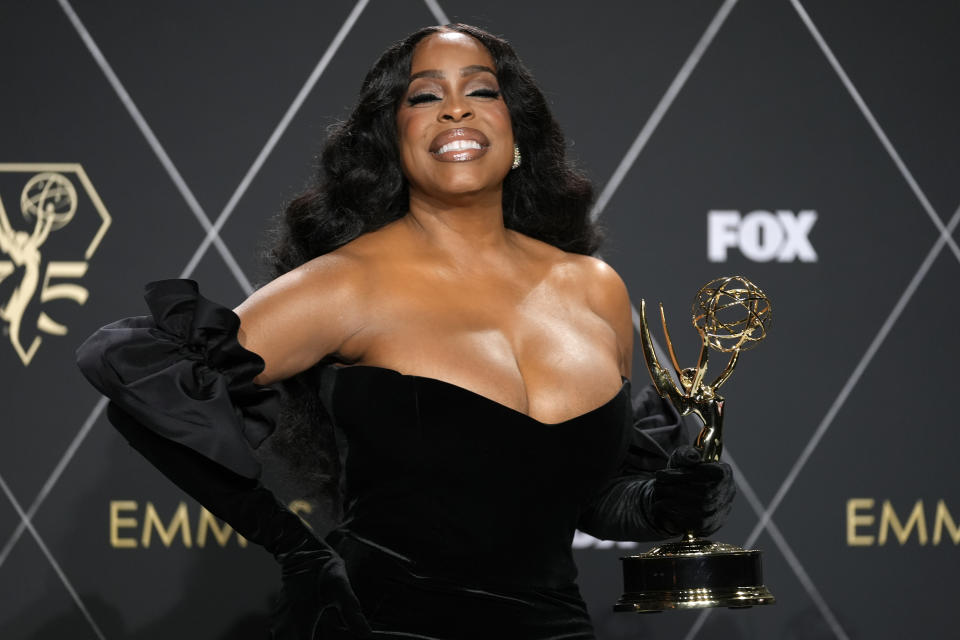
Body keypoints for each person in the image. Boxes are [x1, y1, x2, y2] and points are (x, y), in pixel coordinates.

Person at [76, 23, 735, 640]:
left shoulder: (595, 289)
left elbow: (591, 499)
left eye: (481, 89)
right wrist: (298, 552)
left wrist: (663, 502)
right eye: (426, 96)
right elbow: (151, 378)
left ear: (518, 131)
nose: (456, 109)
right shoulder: (346, 283)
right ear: (392, 138)